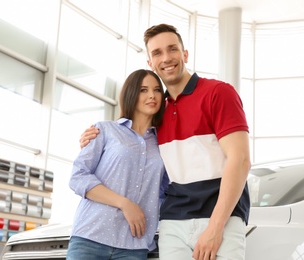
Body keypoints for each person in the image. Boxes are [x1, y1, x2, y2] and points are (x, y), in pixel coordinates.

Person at [80, 24, 251, 260]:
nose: (166, 58)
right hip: (172, 222)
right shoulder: (159, 114)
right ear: (150, 63)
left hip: (220, 220)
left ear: (185, 54)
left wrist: (215, 227)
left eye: (172, 49)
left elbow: (240, 160)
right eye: (157, 53)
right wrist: (97, 135)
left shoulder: (218, 93)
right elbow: (134, 143)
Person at [67, 69, 167, 260]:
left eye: (157, 90)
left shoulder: (163, 145)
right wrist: (124, 204)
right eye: (143, 90)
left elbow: (164, 193)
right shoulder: (105, 130)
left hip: (134, 245)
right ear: (131, 94)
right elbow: (78, 176)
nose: (152, 95)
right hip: (90, 237)